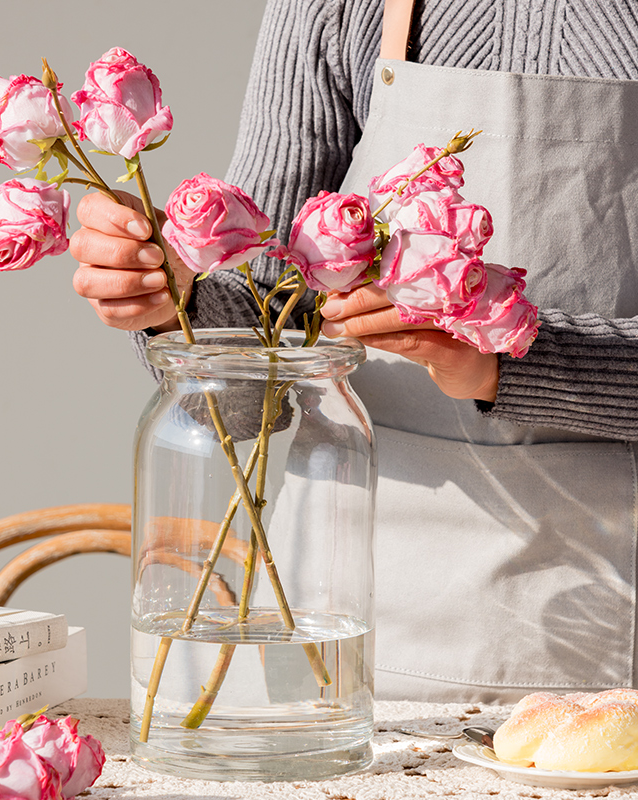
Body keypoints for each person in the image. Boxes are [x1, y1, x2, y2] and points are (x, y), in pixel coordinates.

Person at [70, 0, 638, 702]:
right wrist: (178, 301)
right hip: (351, 623)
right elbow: (256, 374)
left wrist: (509, 352)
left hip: (605, 627)